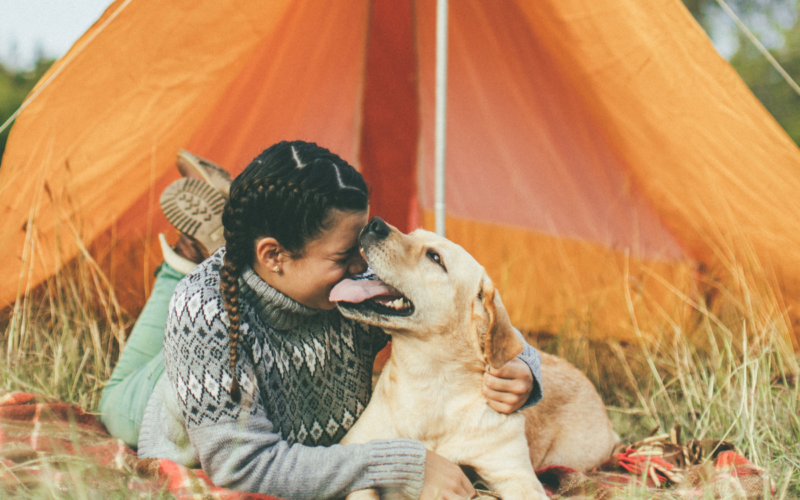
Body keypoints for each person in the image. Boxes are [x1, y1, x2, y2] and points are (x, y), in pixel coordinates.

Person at [99, 141, 543, 500]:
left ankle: (229, 238)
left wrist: (525, 368)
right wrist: (402, 463)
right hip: (179, 384)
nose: (364, 266)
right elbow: (242, 466)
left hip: (268, 288)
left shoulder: (354, 291)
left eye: (362, 247)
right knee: (118, 400)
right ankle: (190, 257)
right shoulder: (206, 315)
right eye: (344, 255)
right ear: (274, 255)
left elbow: (464, 316)